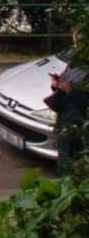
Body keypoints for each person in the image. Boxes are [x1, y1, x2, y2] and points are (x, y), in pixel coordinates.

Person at [46, 28, 89, 174]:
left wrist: (70, 90)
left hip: (79, 123)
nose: (75, 47)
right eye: (75, 43)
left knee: (73, 160)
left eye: (79, 43)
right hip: (64, 118)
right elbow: (65, 78)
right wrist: (56, 84)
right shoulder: (74, 62)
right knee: (63, 157)